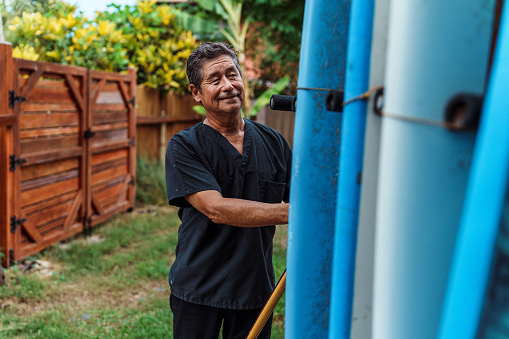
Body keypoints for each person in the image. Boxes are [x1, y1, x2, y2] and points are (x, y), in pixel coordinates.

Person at [165, 42, 292, 339]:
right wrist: (294, 214)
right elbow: (216, 209)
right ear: (196, 93)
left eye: (232, 74)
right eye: (215, 79)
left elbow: (308, 196)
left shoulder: (274, 142)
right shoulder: (184, 146)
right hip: (199, 288)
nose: (228, 85)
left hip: (254, 289)